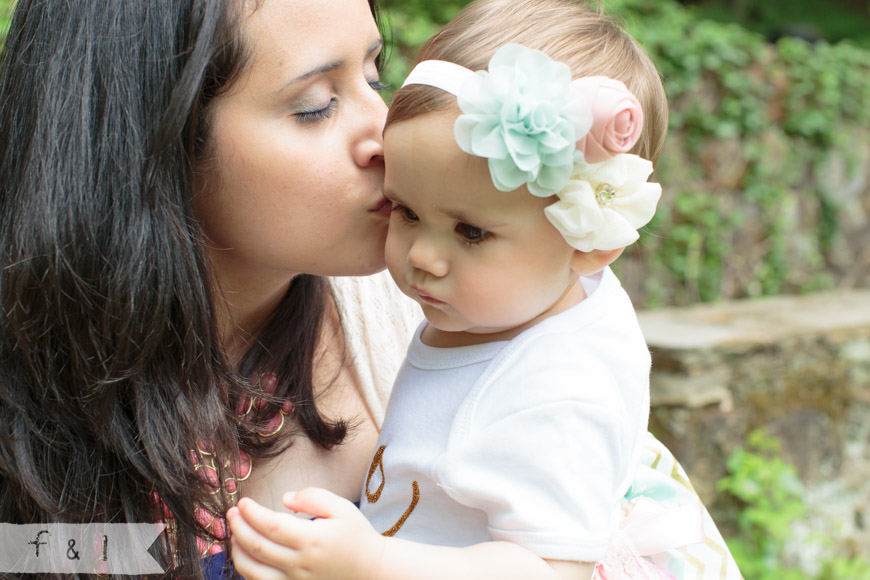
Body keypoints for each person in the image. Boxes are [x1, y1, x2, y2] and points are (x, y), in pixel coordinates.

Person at [226, 1, 741, 579]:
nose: (421, 255)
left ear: (591, 241)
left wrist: (372, 562)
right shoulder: (520, 298)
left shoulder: (558, 390)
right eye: (406, 211)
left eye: (472, 232)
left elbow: (551, 570)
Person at [0, 0, 419, 578]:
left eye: (376, 77)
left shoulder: (443, 317)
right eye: (316, 106)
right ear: (150, 144)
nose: (386, 135)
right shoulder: (28, 391)